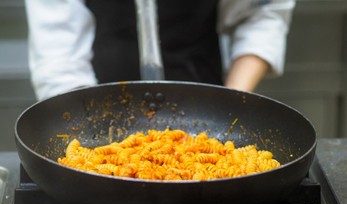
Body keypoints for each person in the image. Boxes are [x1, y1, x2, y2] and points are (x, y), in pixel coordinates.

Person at [24, 0, 295, 101]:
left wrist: (231, 105)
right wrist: (90, 132)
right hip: (99, 93)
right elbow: (58, 50)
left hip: (204, 94)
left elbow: (261, 13)